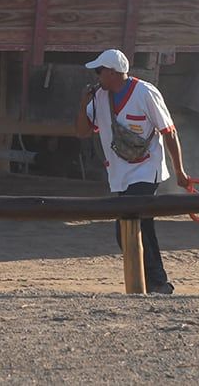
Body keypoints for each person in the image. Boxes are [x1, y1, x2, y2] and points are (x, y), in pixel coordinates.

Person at [74, 48, 190, 294]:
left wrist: (179, 170)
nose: (97, 76)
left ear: (114, 73)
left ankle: (154, 282)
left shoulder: (145, 93)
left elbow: (169, 132)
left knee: (127, 225)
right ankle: (154, 283)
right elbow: (82, 132)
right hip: (119, 173)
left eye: (100, 71)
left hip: (146, 170)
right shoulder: (100, 98)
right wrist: (84, 103)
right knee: (140, 227)